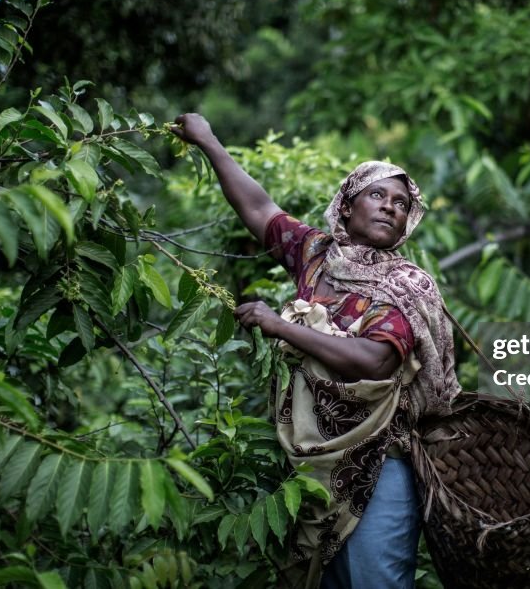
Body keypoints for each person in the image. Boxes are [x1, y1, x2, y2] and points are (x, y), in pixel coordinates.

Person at [171, 113, 461, 588]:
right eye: (377, 195)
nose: (390, 207)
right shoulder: (316, 255)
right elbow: (260, 209)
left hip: (379, 459)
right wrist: (208, 141)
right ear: (346, 206)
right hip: (308, 461)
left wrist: (278, 326)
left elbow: (376, 359)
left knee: (376, 581)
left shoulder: (406, 285)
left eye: (401, 203)